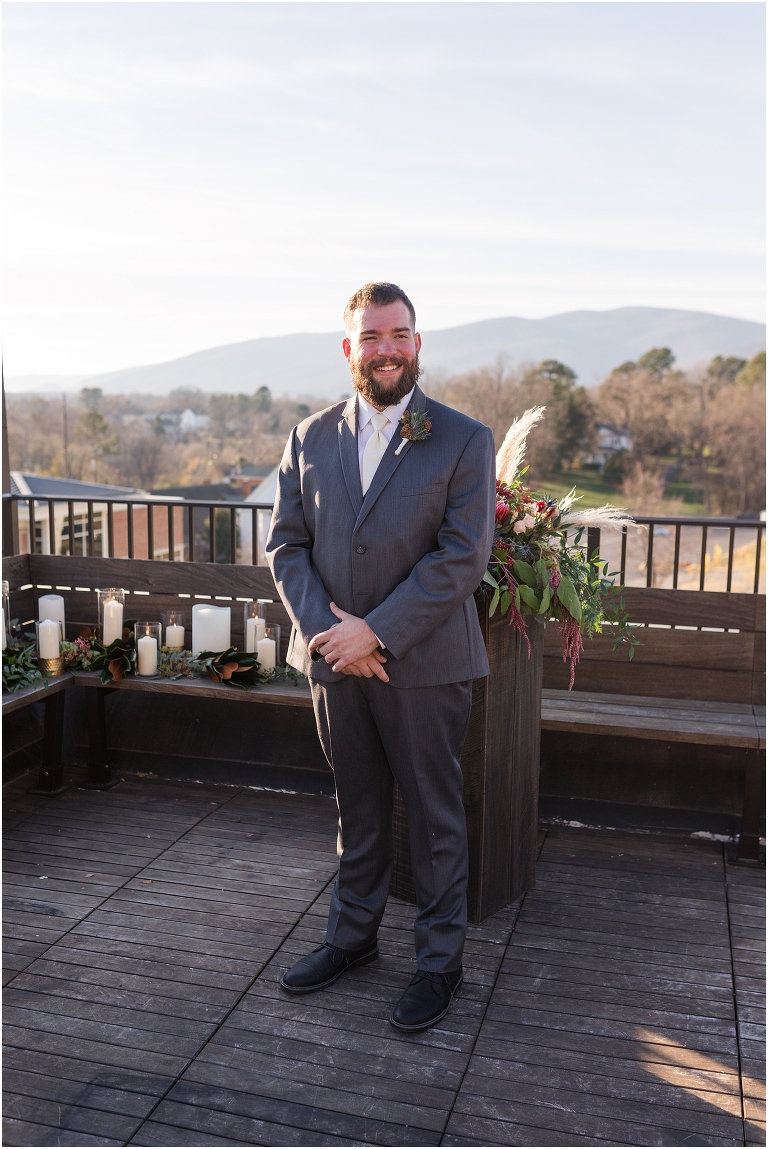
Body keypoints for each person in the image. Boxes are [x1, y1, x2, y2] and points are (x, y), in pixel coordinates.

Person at [266, 282, 495, 1032]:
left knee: (433, 818)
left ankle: (439, 964)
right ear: (349, 349)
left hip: (424, 664)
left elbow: (462, 557)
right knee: (357, 807)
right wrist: (332, 635)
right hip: (333, 663)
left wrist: (379, 632)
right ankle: (352, 938)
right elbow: (286, 546)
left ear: (417, 343)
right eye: (371, 336)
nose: (386, 348)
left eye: (398, 334)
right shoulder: (308, 436)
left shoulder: (462, 437)